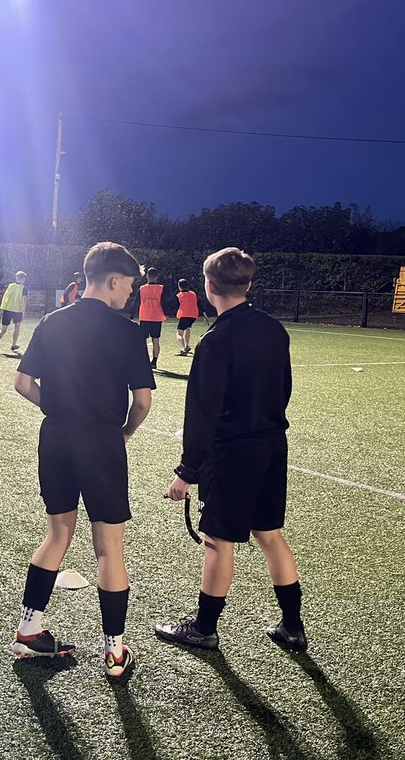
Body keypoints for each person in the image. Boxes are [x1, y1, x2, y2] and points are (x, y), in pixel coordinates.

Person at [9, 242, 155, 680]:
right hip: (101, 441)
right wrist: (123, 432)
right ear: (113, 280)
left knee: (57, 535)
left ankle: (28, 631)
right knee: (109, 547)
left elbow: (21, 383)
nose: (130, 292)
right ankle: (114, 653)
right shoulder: (128, 332)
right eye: (129, 284)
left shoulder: (52, 321)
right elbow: (143, 402)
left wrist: (55, 409)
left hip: (55, 437)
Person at [155, 248, 306, 652]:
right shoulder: (275, 330)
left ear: (208, 286)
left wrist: (187, 472)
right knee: (270, 534)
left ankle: (204, 628)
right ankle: (292, 626)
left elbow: (203, 413)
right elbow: (284, 390)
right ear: (249, 284)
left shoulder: (216, 341)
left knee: (218, 540)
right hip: (273, 444)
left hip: (235, 452)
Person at [0, 270, 28, 355]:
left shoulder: (10, 286)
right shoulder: (24, 288)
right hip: (17, 310)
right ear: (24, 279)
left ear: (16, 278)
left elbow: (5, 297)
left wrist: (2, 308)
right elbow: (24, 300)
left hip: (7, 309)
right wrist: (24, 311)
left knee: (3, 329)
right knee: (17, 327)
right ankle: (14, 344)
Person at [138, 267, 167, 369]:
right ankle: (154, 362)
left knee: (143, 341)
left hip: (144, 316)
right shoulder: (161, 288)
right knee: (156, 341)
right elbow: (164, 302)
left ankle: (143, 360)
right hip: (156, 317)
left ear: (147, 276)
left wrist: (132, 314)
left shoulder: (142, 288)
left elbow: (136, 302)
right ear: (157, 276)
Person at [175, 278, 208, 356]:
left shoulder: (179, 295)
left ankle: (183, 349)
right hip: (193, 315)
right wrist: (205, 315)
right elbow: (199, 304)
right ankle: (187, 346)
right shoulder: (193, 294)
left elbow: (177, 306)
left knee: (179, 333)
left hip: (184, 315)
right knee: (188, 328)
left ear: (179, 286)